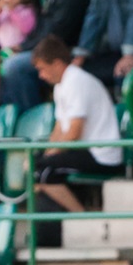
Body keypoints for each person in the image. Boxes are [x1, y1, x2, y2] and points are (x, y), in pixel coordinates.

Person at [31, 35, 123, 215]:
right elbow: (60, 127)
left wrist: (48, 157)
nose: (41, 76)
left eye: (42, 69)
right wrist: (47, 153)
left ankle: (81, 215)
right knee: (38, 164)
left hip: (101, 154)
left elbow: (74, 133)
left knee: (44, 171)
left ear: (57, 64)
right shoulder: (61, 86)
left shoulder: (76, 82)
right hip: (84, 150)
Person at [0, 0, 91, 114]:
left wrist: (24, 47)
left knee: (15, 67)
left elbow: (59, 30)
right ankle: (13, 126)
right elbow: (41, 28)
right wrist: (22, 46)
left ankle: (30, 121)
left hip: (66, 51)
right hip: (44, 47)